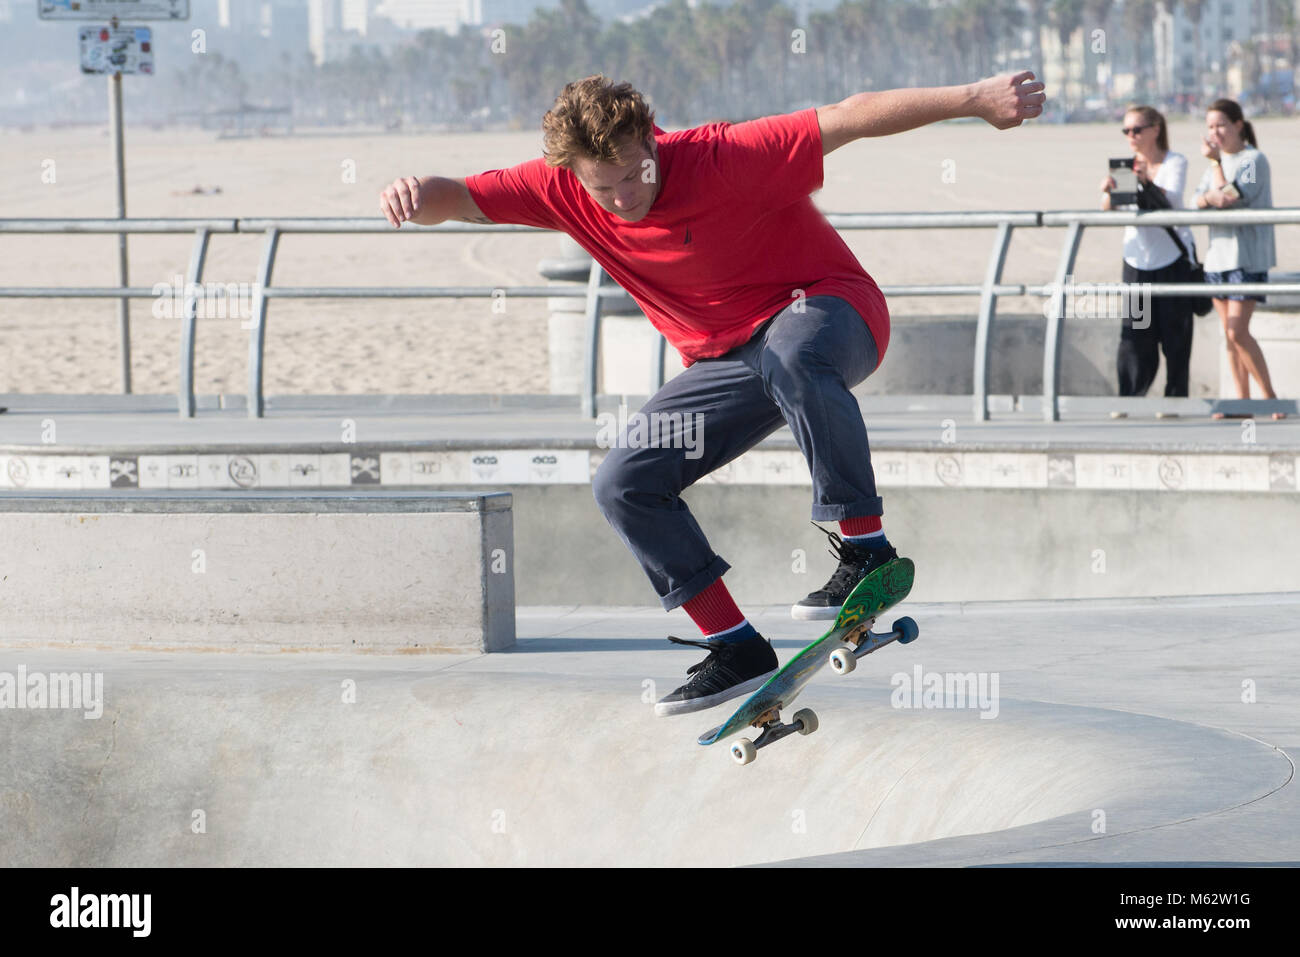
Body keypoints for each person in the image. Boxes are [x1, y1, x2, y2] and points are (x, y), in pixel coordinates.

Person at [379, 72, 1046, 716]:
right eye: (601, 187)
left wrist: (975, 99)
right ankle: (734, 644)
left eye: (631, 177)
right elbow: (460, 197)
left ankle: (867, 547)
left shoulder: (726, 156)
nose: (620, 199)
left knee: (791, 352)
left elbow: (853, 114)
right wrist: (415, 193)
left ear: (650, 141)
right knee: (623, 480)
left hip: (832, 314)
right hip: (728, 363)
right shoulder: (561, 188)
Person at [1099, 106, 1196, 410]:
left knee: (1175, 338)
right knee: (1133, 337)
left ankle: (1174, 403)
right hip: (1137, 263)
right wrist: (1108, 192)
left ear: (1156, 129)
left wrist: (1146, 181)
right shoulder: (1125, 168)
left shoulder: (1174, 162)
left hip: (1171, 261)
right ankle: (1128, 401)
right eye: (1126, 130)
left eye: (1137, 129)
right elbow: (1111, 209)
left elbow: (1170, 201)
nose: (1131, 136)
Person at [1192, 98, 1281, 418]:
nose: (1214, 132)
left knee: (1237, 331)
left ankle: (1270, 398)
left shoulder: (1253, 160)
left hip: (1246, 257)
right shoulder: (1213, 166)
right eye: (1210, 127)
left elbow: (1230, 197)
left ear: (1238, 125)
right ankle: (1241, 403)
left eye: (1220, 125)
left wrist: (1216, 169)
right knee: (1227, 335)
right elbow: (1196, 201)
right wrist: (1209, 194)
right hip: (1218, 259)